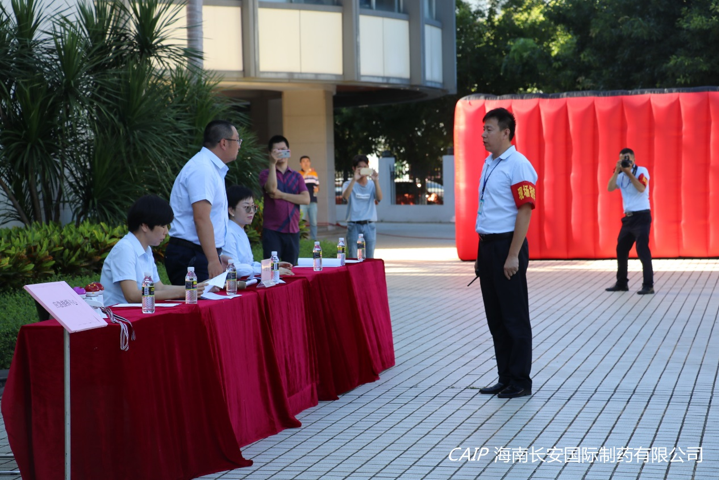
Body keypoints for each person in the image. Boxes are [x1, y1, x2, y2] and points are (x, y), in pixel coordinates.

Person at [474, 107, 537, 399]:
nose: (483, 135)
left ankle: (521, 380)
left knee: (514, 317)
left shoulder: (518, 164)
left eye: (489, 129)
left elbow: (525, 211)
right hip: (488, 246)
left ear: (505, 132)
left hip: (507, 246)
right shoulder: (489, 163)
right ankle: (505, 377)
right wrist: (480, 254)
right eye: (483, 129)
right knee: (496, 319)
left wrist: (513, 255)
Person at [165, 120, 241, 284]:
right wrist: (212, 260)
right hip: (191, 254)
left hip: (200, 252)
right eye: (237, 140)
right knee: (198, 300)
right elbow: (201, 218)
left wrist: (217, 255)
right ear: (224, 143)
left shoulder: (211, 168)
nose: (239, 145)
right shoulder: (202, 169)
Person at [101, 195, 207, 306]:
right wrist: (181, 293)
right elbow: (132, 296)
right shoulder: (124, 249)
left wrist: (196, 288)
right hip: (119, 314)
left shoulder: (146, 249)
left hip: (140, 310)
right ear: (145, 226)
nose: (166, 232)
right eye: (163, 226)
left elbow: (159, 288)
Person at [605, 148, 654, 295]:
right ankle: (621, 283)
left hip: (642, 216)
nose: (625, 161)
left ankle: (648, 285)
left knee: (642, 250)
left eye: (627, 159)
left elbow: (641, 188)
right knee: (621, 249)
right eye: (622, 159)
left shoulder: (642, 171)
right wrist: (617, 171)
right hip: (628, 218)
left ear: (633, 159)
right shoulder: (620, 175)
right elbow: (609, 188)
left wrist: (629, 172)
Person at [259, 135, 309, 265]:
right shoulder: (265, 174)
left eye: (283, 149)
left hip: (293, 230)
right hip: (272, 230)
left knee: (292, 269)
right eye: (277, 150)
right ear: (270, 153)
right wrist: (272, 164)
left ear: (289, 151)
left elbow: (306, 199)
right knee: (270, 269)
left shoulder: (297, 176)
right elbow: (271, 189)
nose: (281, 153)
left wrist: (282, 195)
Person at [224, 185, 294, 278]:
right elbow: (235, 268)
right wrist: (269, 270)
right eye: (246, 207)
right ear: (231, 210)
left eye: (253, 207)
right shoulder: (228, 233)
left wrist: (271, 265)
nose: (251, 211)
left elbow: (249, 264)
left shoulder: (240, 230)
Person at [342, 154, 383, 259]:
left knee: (370, 257)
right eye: (359, 167)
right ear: (354, 168)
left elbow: (379, 198)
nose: (362, 169)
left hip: (369, 225)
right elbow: (345, 197)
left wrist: (376, 180)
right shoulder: (348, 184)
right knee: (353, 256)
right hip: (353, 224)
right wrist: (354, 180)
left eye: (365, 167)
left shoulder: (372, 184)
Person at [299, 155, 320, 240]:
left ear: (310, 163)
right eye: (303, 161)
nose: (306, 163)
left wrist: (317, 189)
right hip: (302, 201)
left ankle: (314, 239)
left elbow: (317, 186)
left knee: (314, 222)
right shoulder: (298, 174)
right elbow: (299, 183)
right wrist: (307, 172)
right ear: (300, 164)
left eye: (307, 161)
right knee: (301, 221)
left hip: (313, 201)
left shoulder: (314, 173)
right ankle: (301, 240)